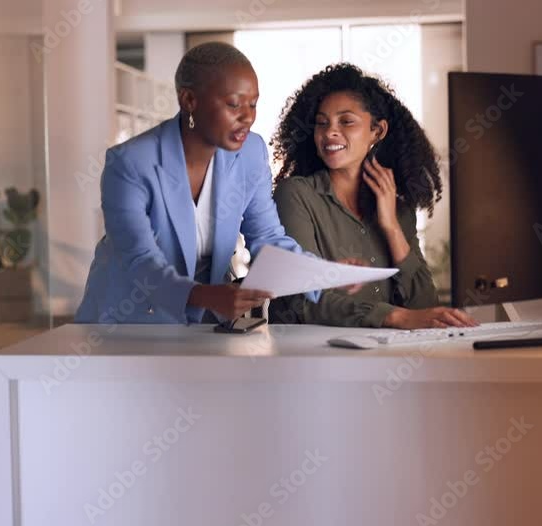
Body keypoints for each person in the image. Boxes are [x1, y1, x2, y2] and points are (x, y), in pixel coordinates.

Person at [76, 42, 350, 325]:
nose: (248, 117)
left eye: (253, 104)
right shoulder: (130, 162)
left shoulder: (251, 153)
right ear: (189, 101)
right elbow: (139, 260)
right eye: (233, 104)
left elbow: (267, 237)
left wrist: (319, 272)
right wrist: (204, 296)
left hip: (201, 319)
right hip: (126, 320)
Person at [270, 63, 478, 329]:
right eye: (322, 123)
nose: (330, 132)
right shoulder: (296, 196)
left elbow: (423, 305)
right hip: (311, 361)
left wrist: (391, 227)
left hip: (380, 357)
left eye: (346, 121)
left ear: (377, 131)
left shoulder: (396, 208)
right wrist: (392, 316)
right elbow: (299, 298)